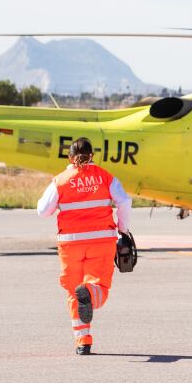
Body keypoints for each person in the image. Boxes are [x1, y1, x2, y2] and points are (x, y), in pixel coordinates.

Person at [37, 137, 132, 355]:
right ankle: (88, 292)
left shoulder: (60, 181)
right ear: (92, 156)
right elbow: (124, 202)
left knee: (73, 291)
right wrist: (123, 230)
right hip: (101, 240)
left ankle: (83, 340)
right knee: (98, 287)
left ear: (70, 157)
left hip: (70, 244)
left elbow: (43, 211)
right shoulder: (105, 177)